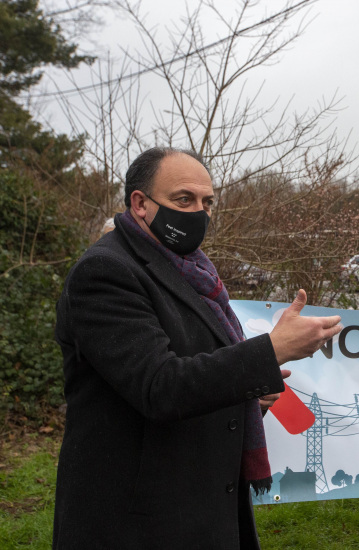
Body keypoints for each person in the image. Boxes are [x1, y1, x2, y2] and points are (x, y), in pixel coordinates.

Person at [52, 147, 343, 549]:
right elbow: (160, 386)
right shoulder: (105, 272)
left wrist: (247, 399)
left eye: (207, 203)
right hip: (138, 521)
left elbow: (197, 370)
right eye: (183, 200)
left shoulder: (192, 269)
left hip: (202, 506)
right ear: (140, 203)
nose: (198, 214)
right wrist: (270, 351)